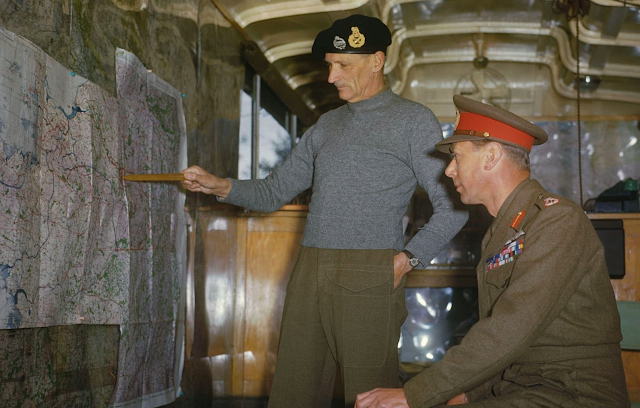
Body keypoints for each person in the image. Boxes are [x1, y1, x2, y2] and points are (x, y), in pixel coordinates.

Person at [180, 14, 468, 408]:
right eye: (330, 65)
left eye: (343, 65)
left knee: (372, 397)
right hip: (309, 271)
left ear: (377, 61)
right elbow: (273, 191)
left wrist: (406, 260)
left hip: (371, 274)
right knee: (293, 394)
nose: (331, 76)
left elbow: (453, 207)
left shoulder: (413, 121)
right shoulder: (325, 126)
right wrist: (220, 186)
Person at [355, 94, 630, 408]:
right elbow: (504, 343)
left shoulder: (557, 221)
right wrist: (470, 393)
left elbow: (510, 330)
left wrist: (415, 394)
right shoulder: (502, 233)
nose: (448, 171)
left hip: (573, 394)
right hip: (525, 389)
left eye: (457, 157)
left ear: (490, 157)